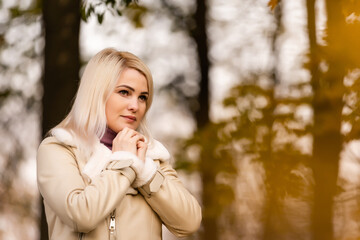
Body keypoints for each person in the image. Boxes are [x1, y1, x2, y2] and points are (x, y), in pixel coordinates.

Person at [37, 48, 202, 240]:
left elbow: (189, 222)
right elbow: (81, 215)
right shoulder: (59, 149)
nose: (135, 106)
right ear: (97, 93)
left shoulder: (151, 156)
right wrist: (125, 162)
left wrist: (146, 173)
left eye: (142, 97)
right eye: (124, 92)